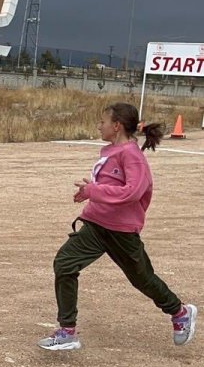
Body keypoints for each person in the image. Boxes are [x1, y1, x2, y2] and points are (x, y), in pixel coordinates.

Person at [39, 103, 197, 351]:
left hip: (121, 230)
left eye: (102, 121)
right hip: (96, 224)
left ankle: (179, 312)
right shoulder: (112, 151)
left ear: (116, 126)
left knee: (142, 279)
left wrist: (95, 191)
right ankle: (67, 331)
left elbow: (132, 192)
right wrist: (88, 194)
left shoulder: (132, 156)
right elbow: (108, 186)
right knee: (65, 263)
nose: (99, 126)